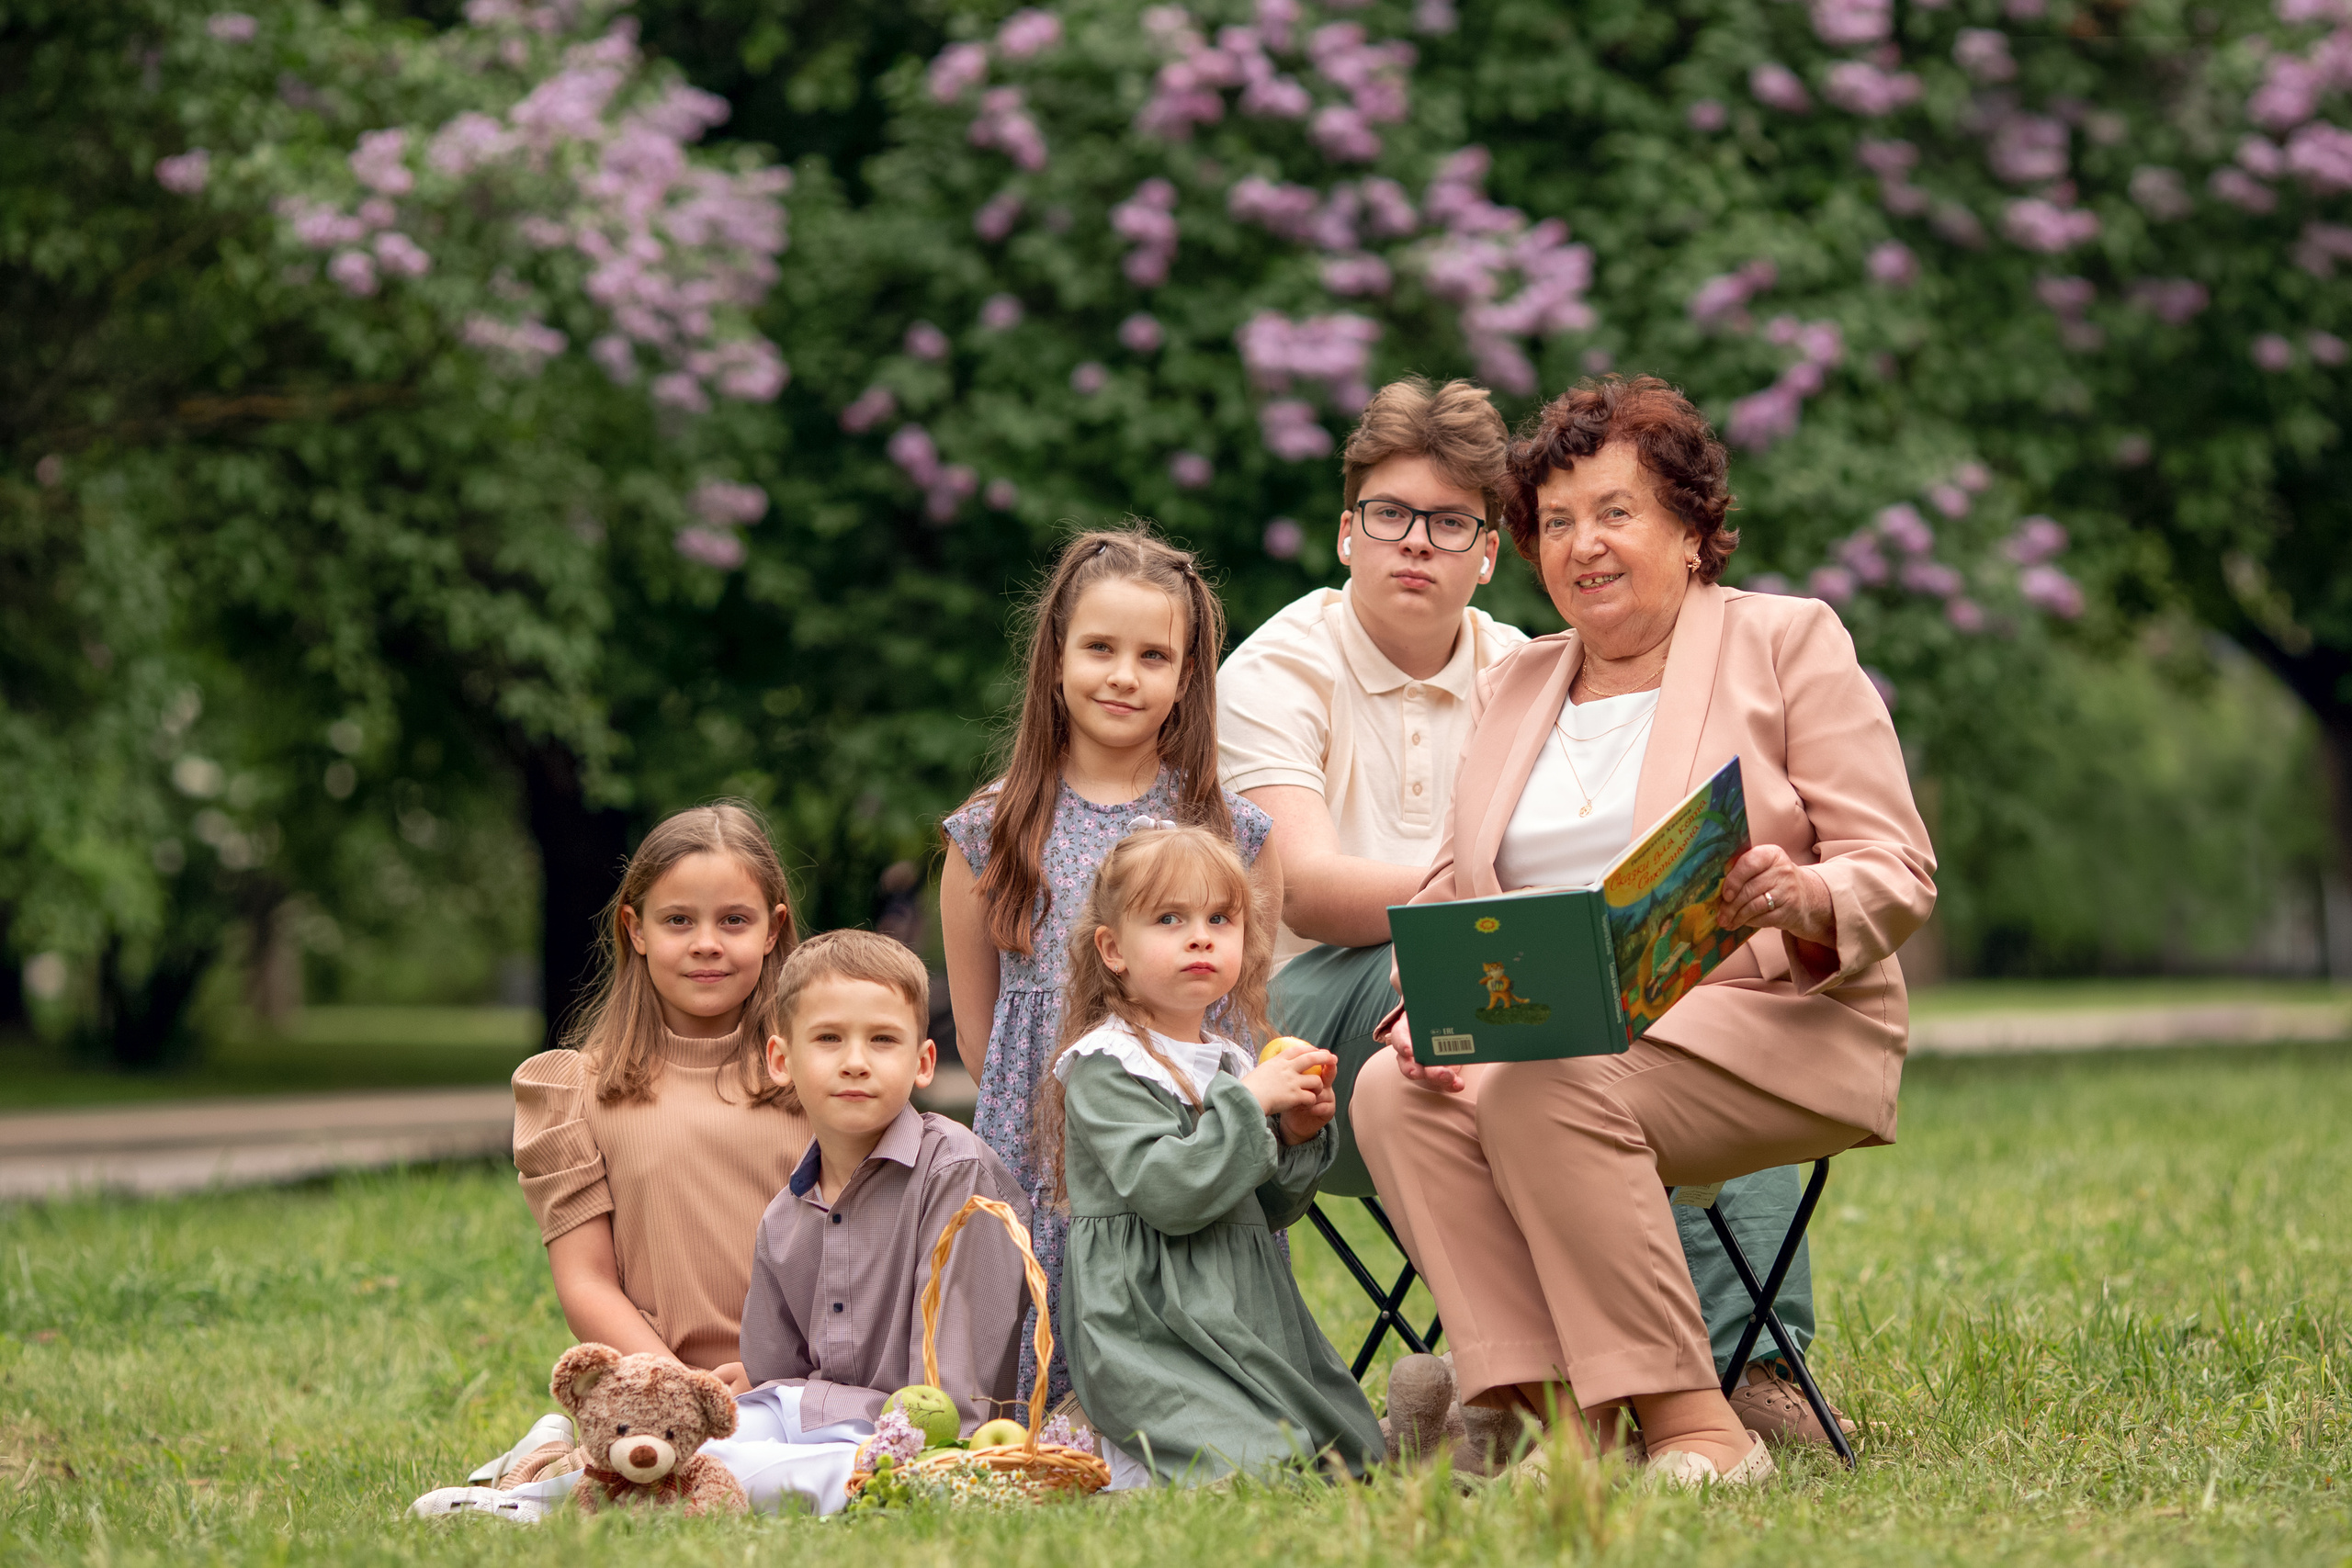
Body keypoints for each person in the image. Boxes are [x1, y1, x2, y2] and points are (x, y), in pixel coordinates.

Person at [1217, 375, 1840, 1446]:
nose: (1414, 543)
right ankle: (1609, 1382)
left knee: (1681, 975)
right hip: (1308, 1020)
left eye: (1450, 522)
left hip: (1521, 985)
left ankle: (1748, 1361)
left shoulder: (1529, 665)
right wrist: (1499, 911)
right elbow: (1307, 887)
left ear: (1487, 552)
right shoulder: (1280, 668)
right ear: (1344, 534)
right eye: (1386, 516)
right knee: (1555, 989)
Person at [1351, 375, 1936, 1488]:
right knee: (1395, 1093)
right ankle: (1552, 1427)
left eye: (1615, 513)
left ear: (1689, 527)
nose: (1584, 547)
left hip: (1772, 1026)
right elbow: (1448, 886)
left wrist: (1807, 898)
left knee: (1540, 1077)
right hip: (1563, 1037)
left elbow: (1896, 866)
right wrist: (1417, 1013)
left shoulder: (1788, 641)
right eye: (1557, 523)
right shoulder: (1518, 680)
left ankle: (1695, 1431)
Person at [940, 525, 1281, 1404]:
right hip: (1038, 1134)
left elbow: (1243, 1007)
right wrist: (1049, 1112)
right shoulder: (990, 830)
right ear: (1055, 657)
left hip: (1184, 1130)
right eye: (1099, 647)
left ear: (1187, 676)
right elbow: (986, 1036)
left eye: (1153, 655)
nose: (1123, 675)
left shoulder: (1230, 831)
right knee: (1043, 1364)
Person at [411, 802, 811, 1518]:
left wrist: (772, 1371)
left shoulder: (818, 1080)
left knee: (807, 1478)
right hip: (654, 1388)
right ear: (636, 929)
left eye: (735, 921)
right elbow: (586, 1280)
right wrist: (677, 1390)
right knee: (706, 1480)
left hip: (795, 1375)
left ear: (775, 928)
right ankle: (540, 1486)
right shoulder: (575, 1090)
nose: (706, 944)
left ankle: (552, 1465)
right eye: (679, 920)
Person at [1038, 822, 1382, 1485]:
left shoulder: (1230, 1062)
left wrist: (1294, 1137)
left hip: (1240, 1309)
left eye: (1220, 918)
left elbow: (1266, 1207)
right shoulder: (1106, 1066)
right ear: (1112, 948)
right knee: (1253, 1468)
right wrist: (1250, 1106)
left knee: (1350, 1453)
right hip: (1151, 1324)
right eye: (1170, 917)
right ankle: (1112, 1457)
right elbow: (1169, 1190)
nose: (1201, 935)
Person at [726, 930, 1034, 1514]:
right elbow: (775, 1378)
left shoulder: (953, 1172)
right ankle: (541, 1486)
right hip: (813, 1430)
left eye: (883, 1040)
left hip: (918, 1442)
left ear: (922, 1063)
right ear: (780, 1060)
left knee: (753, 1466)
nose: (856, 1062)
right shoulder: (785, 1217)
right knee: (715, 1440)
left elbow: (948, 1402)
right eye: (828, 1039)